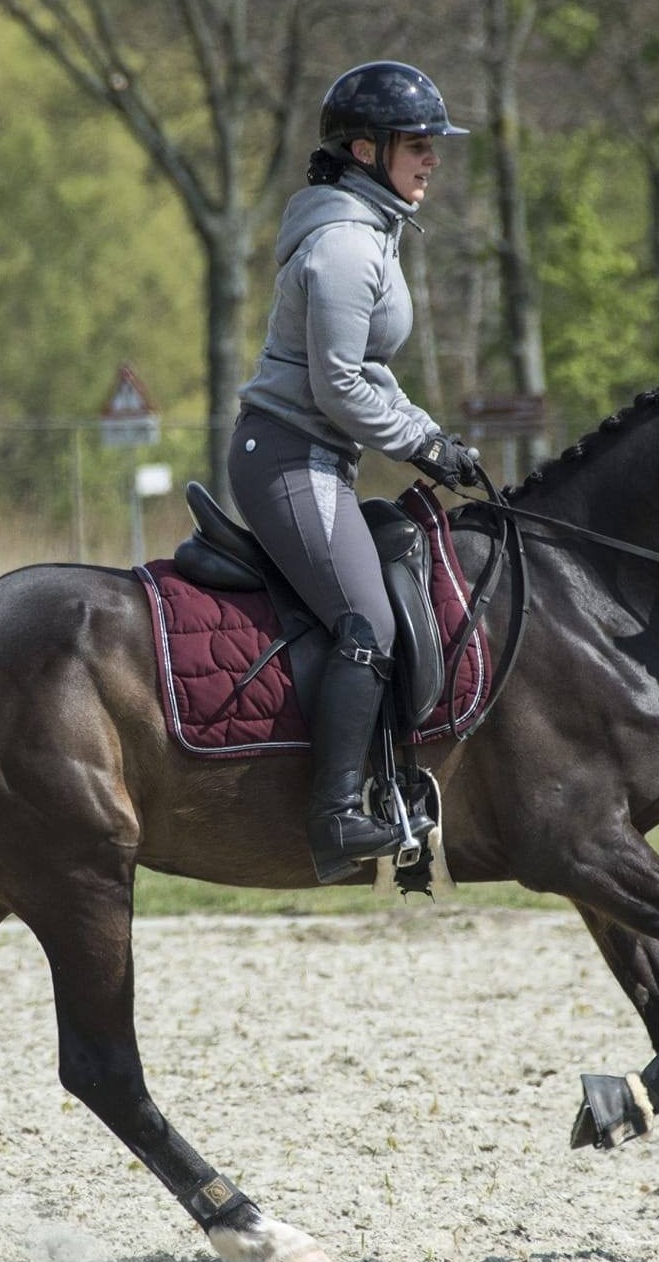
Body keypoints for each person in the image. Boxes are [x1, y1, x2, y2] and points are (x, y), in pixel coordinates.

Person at [229, 60, 479, 885]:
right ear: (364, 149)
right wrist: (421, 444)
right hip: (289, 458)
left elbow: (367, 374)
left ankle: (395, 782)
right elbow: (338, 384)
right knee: (365, 623)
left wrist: (431, 436)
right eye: (417, 144)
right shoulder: (343, 245)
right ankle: (337, 815)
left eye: (432, 144)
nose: (431, 159)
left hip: (319, 458)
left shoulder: (371, 231)